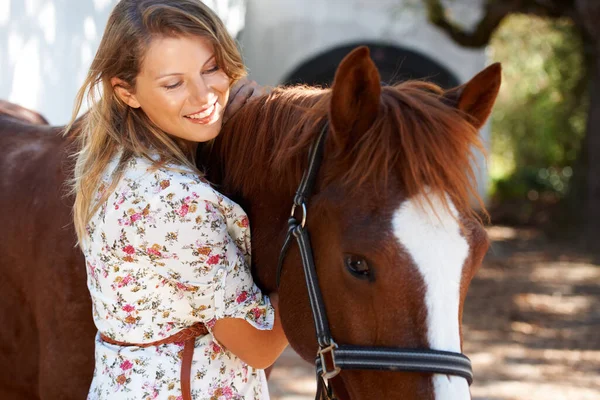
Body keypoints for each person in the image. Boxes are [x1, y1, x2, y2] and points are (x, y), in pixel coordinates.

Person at [66, 1, 288, 399]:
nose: (204, 96)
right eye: (173, 83)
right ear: (127, 92)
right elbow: (259, 346)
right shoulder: (176, 202)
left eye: (211, 69)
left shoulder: (115, 162)